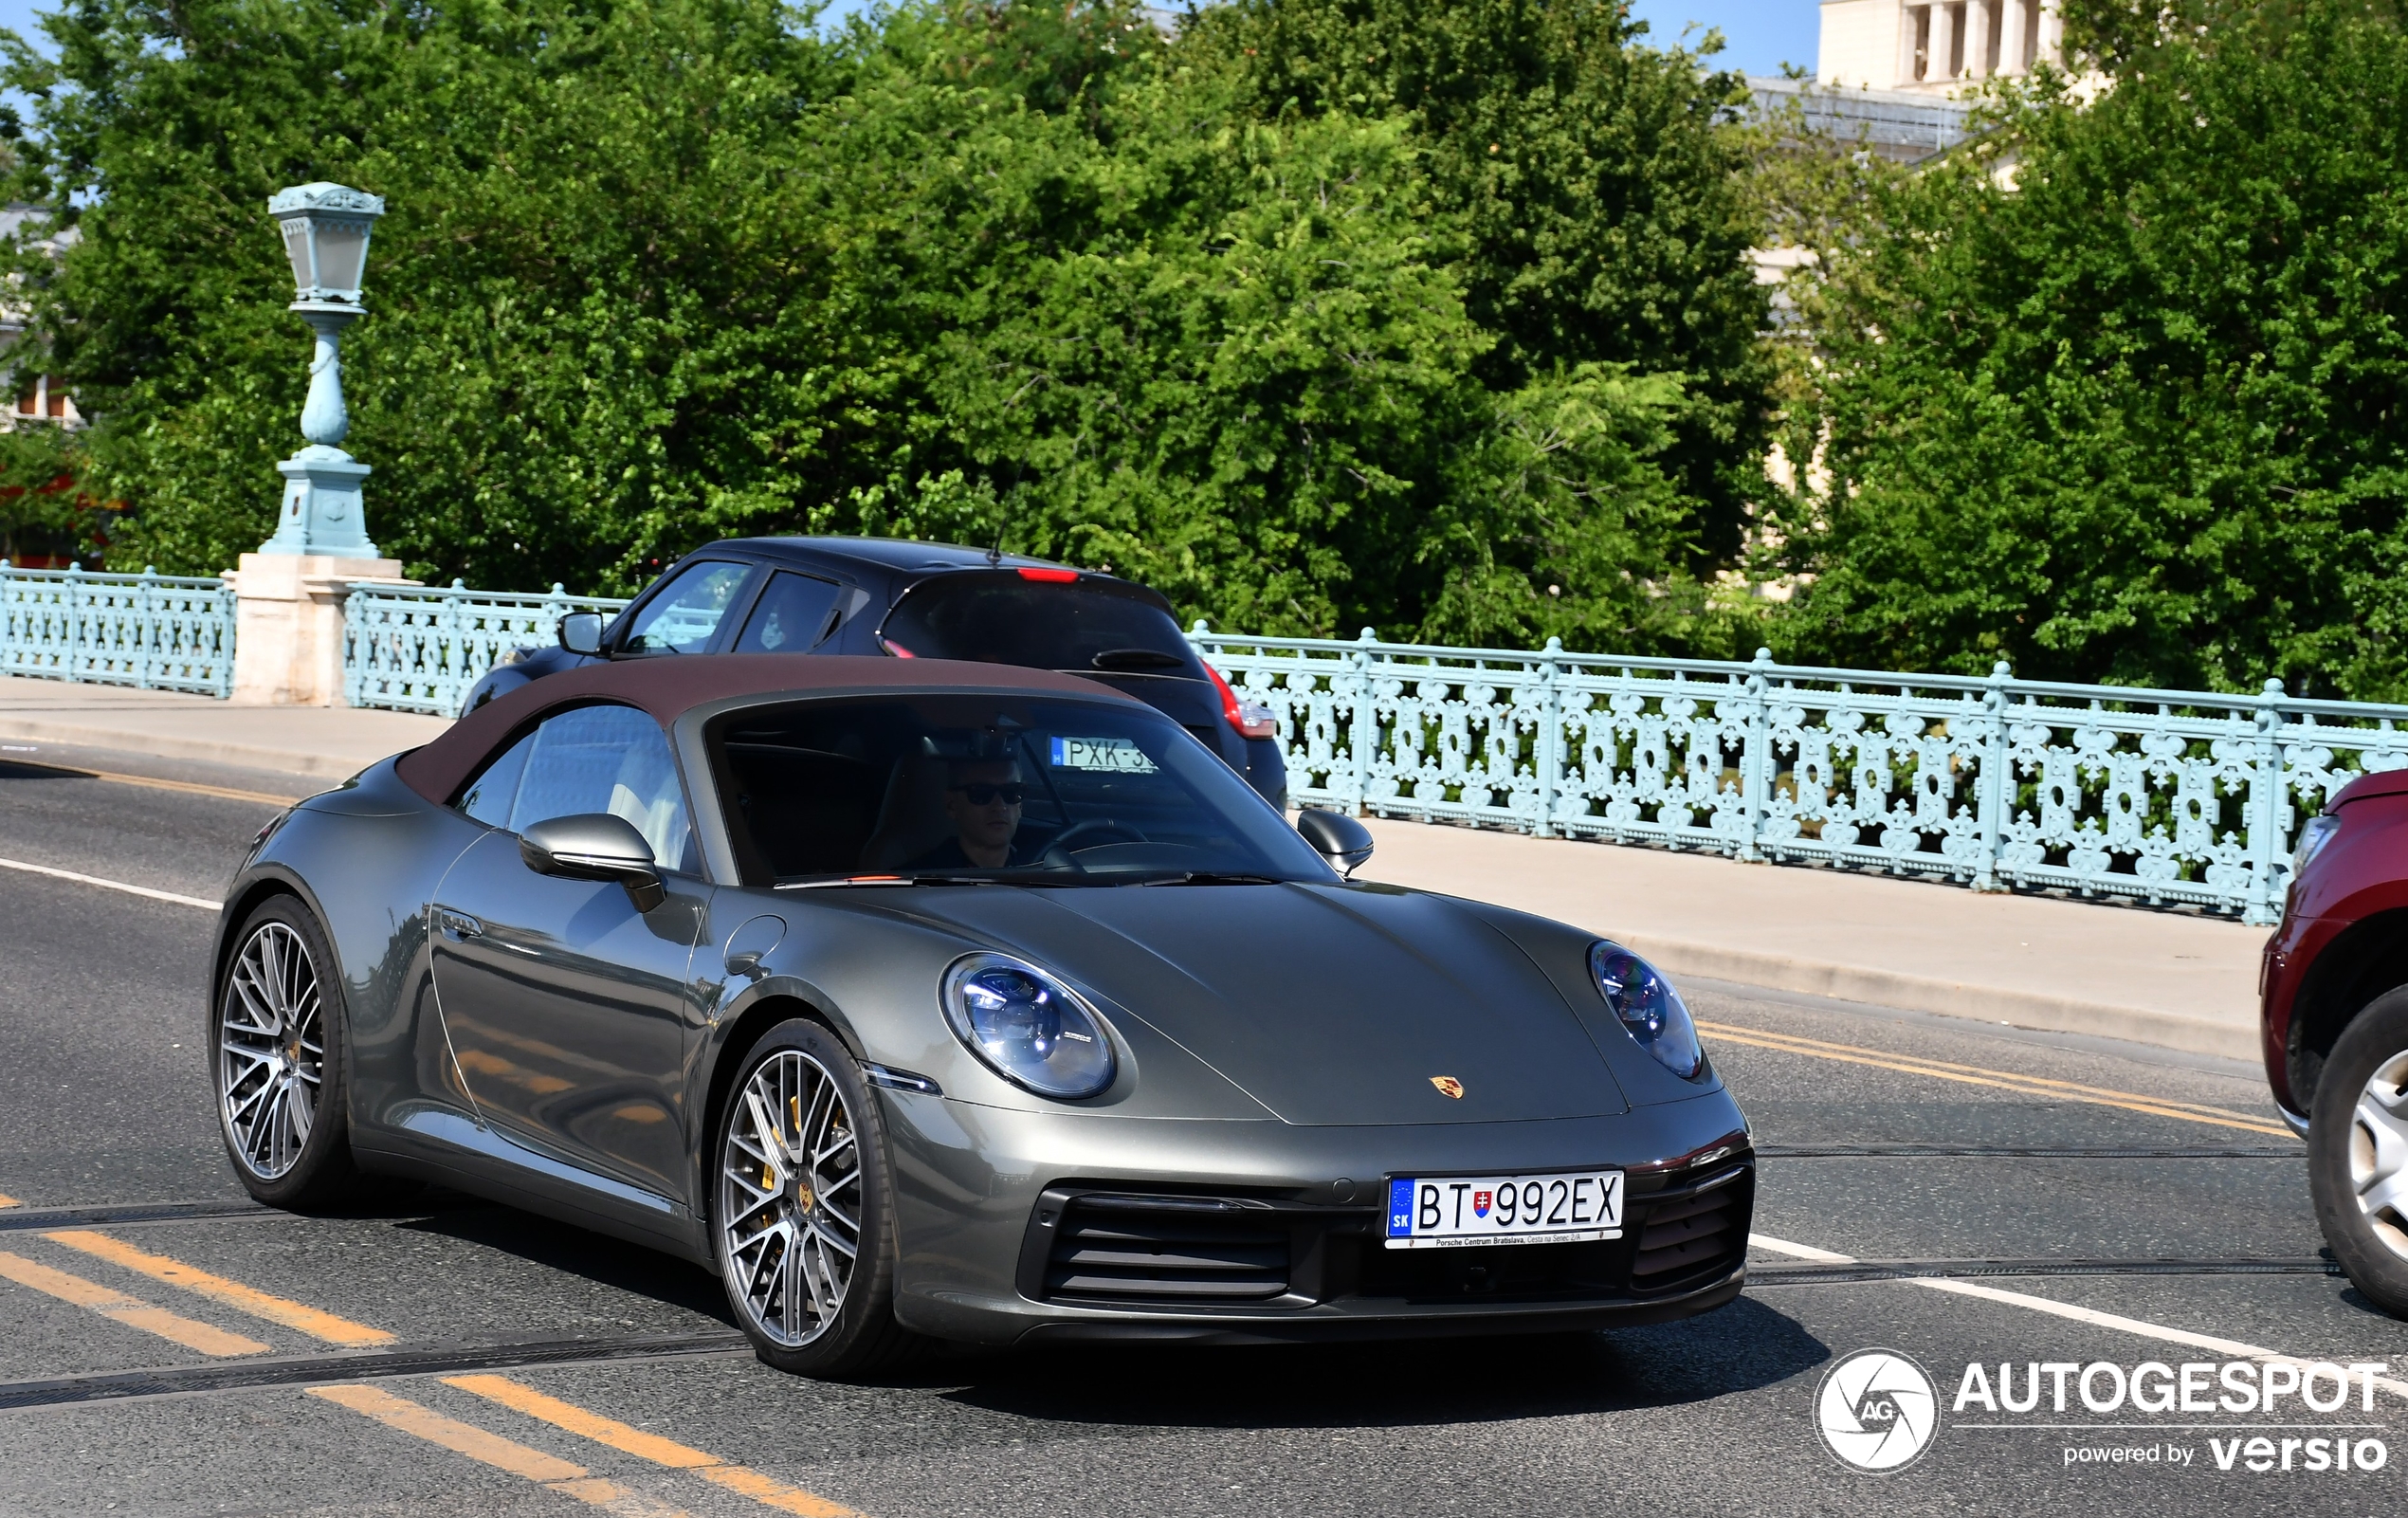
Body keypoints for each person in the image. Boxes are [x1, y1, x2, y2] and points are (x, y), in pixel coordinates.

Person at [907, 757, 1035, 869]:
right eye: (981, 793)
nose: (1000, 806)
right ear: (951, 805)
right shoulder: (914, 882)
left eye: (1011, 792)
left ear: (1020, 806)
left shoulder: (1038, 872)